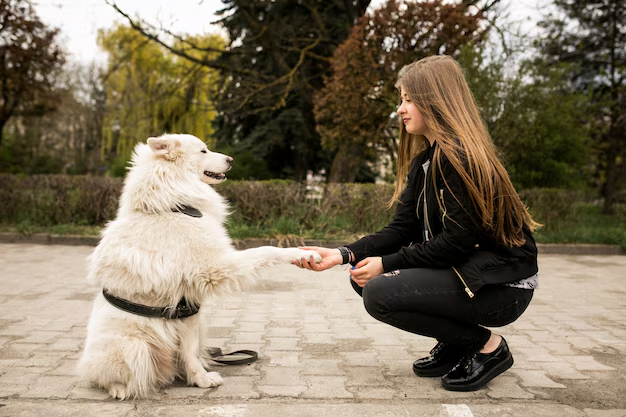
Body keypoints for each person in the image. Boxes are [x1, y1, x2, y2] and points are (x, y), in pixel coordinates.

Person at [294, 55, 540, 392]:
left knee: (379, 289)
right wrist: (344, 254)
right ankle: (457, 343)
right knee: (364, 277)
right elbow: (401, 230)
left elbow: (456, 243)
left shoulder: (461, 159)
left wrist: (387, 264)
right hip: (470, 274)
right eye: (402, 100)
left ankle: (486, 346)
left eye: (408, 99)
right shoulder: (425, 161)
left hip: (503, 287)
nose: (400, 109)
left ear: (434, 101)